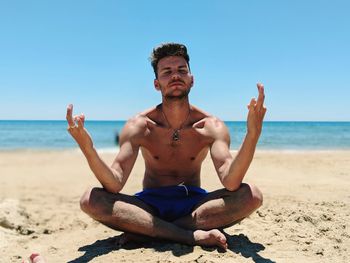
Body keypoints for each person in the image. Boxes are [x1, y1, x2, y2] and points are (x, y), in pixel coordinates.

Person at [66, 43, 266, 250]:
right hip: (149, 206)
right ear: (156, 83)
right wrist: (88, 148)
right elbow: (115, 183)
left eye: (182, 70)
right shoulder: (139, 125)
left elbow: (231, 181)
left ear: (192, 79)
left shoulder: (211, 126)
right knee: (91, 200)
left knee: (252, 196)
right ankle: (187, 236)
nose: (175, 76)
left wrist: (253, 134)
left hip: (194, 205)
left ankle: (147, 231)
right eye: (167, 72)